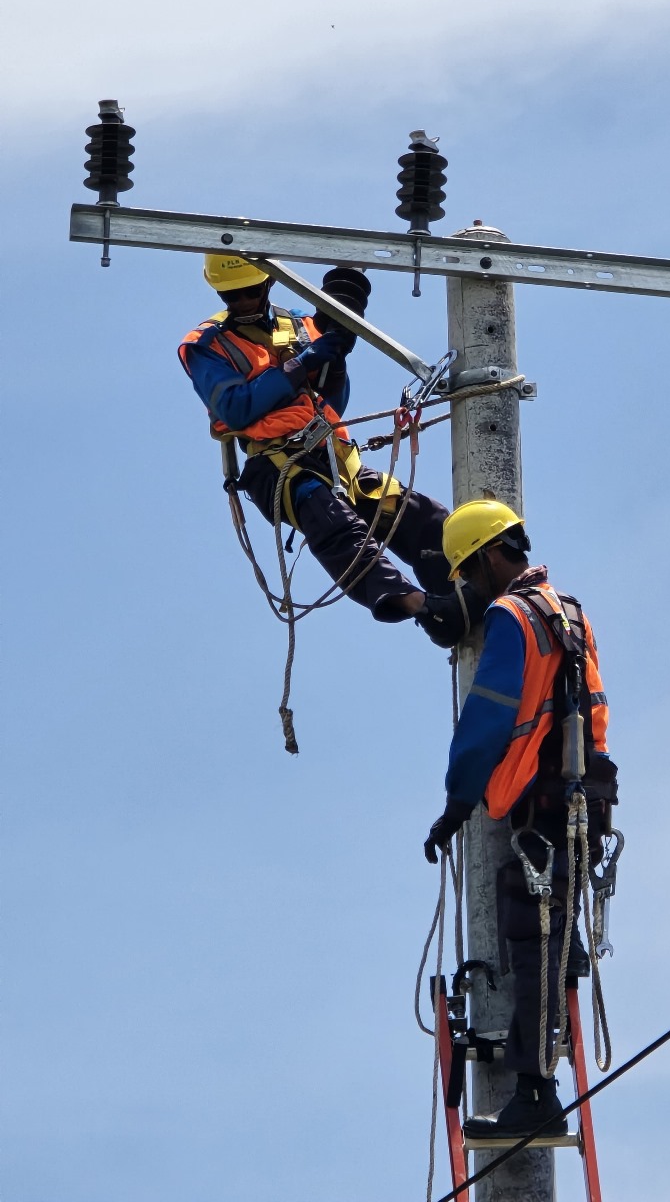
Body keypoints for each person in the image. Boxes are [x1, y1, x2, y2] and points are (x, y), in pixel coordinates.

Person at [423, 499, 619, 1137]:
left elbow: (488, 718)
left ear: (483, 559)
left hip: (542, 801)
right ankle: (566, 969)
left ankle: (535, 1093)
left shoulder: (512, 617)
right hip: (586, 795)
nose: (467, 592)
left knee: (530, 932)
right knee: (552, 934)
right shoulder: (571, 612)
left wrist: (456, 804)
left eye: (465, 575)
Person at [178, 255, 482, 645]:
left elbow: (332, 402)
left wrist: (333, 363)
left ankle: (469, 595)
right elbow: (237, 408)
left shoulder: (301, 325)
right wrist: (304, 362)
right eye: (232, 295)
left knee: (422, 517)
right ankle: (423, 608)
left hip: (335, 456)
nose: (242, 301)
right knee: (336, 525)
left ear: (268, 284)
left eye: (250, 291)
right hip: (277, 465)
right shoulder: (206, 344)